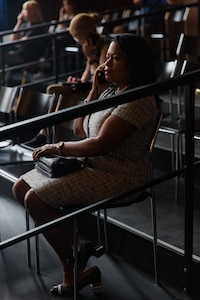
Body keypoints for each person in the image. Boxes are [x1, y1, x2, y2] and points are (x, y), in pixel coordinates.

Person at [12, 33, 159, 296]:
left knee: (34, 198)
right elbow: (81, 129)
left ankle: (73, 268)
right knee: (20, 187)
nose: (106, 64)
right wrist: (94, 90)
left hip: (120, 174)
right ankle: (80, 247)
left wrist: (57, 147)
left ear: (134, 63)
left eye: (115, 59)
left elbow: (101, 144)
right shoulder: (114, 91)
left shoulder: (140, 99)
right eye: (107, 58)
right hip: (92, 165)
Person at [25, 12, 110, 147]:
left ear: (88, 34)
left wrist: (90, 57)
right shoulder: (90, 47)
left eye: (78, 39)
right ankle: (46, 134)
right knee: (53, 89)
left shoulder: (105, 46)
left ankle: (53, 140)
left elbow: (101, 76)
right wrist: (77, 81)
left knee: (64, 100)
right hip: (88, 86)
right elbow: (86, 76)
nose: (79, 43)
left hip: (100, 90)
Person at [4, 0, 47, 66]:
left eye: (29, 10)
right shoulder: (24, 25)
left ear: (35, 11)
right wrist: (19, 22)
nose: (26, 12)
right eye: (25, 10)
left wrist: (20, 39)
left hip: (28, 55)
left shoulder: (39, 26)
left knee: (2, 58)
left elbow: (25, 41)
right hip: (18, 52)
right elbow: (14, 38)